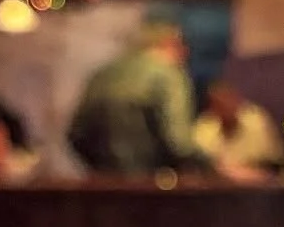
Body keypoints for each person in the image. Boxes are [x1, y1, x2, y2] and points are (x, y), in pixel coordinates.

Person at [68, 17, 207, 175]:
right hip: (150, 186)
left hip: (103, 186)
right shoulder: (167, 73)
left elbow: (75, 135)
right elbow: (179, 142)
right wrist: (212, 168)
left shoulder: (103, 74)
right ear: (170, 43)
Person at [192, 82, 282, 175]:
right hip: (217, 184)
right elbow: (204, 166)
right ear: (212, 107)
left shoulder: (257, 121)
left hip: (259, 183)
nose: (226, 107)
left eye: (229, 101)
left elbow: (272, 161)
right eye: (220, 105)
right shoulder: (204, 128)